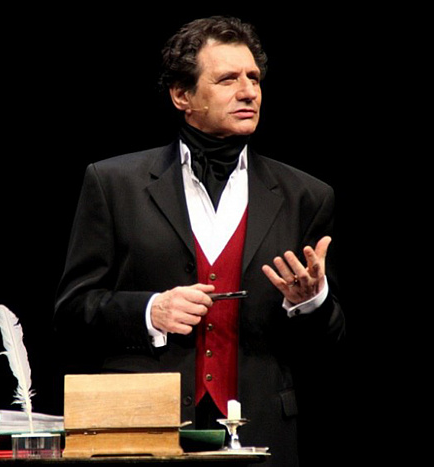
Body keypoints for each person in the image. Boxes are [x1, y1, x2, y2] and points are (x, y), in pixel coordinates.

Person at [54, 16, 345, 466]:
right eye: (227, 79)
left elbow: (331, 342)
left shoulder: (306, 195)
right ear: (182, 95)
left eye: (253, 78)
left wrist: (310, 302)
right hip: (144, 428)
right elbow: (72, 312)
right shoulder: (113, 184)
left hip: (262, 432)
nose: (248, 92)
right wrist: (151, 311)